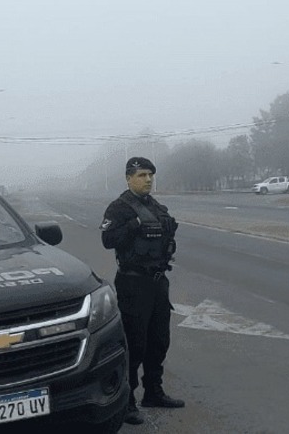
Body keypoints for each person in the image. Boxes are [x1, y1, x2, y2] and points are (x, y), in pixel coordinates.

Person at [100, 157, 185, 426]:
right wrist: (133, 225)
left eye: (150, 175)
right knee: (134, 344)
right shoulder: (119, 208)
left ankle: (154, 392)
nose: (148, 179)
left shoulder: (156, 206)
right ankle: (127, 401)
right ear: (128, 178)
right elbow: (107, 240)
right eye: (141, 175)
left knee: (159, 340)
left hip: (158, 282)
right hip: (133, 283)